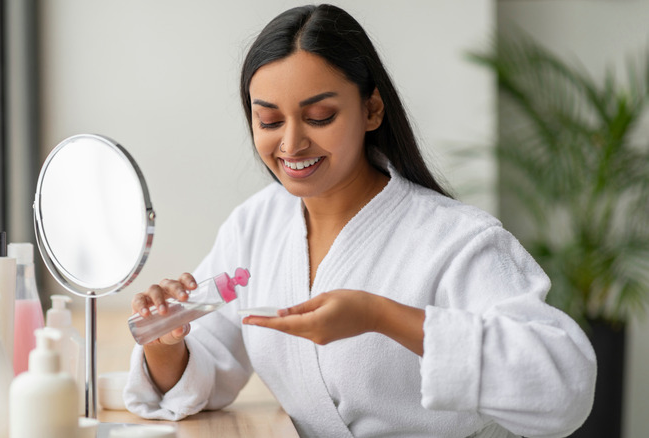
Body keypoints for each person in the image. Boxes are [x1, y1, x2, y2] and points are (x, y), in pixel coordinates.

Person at [123, 4, 596, 437]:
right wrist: (166, 342)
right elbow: (205, 371)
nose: (290, 145)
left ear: (371, 109)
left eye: (320, 116)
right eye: (269, 121)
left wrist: (380, 316)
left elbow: (564, 387)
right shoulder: (257, 224)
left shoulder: (458, 240)